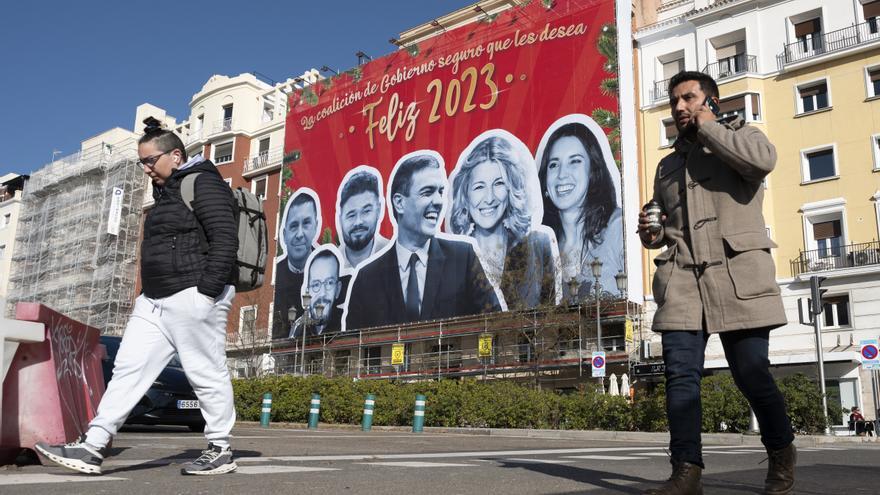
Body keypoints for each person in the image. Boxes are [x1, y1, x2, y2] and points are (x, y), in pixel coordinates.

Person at [35, 117, 239, 475]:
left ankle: (220, 449)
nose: (145, 169)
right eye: (141, 162)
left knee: (205, 372)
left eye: (149, 161)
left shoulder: (203, 183)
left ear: (175, 155)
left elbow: (225, 239)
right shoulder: (167, 193)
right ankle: (93, 447)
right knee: (128, 371)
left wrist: (206, 294)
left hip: (193, 292)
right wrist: (147, 294)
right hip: (154, 299)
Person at [638, 71, 795, 495]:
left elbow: (762, 163)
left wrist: (710, 128)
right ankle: (685, 472)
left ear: (711, 101)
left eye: (689, 98)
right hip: (683, 278)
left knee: (751, 372)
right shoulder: (667, 165)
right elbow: (666, 225)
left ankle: (781, 451)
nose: (679, 107)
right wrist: (652, 233)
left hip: (736, 273)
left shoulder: (745, 137)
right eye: (675, 101)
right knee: (680, 377)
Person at [345, 152, 501, 330]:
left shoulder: (464, 258)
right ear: (399, 203)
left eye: (440, 191)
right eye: (427, 192)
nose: (438, 201)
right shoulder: (366, 279)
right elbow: (353, 349)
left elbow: (496, 323)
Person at [449, 134, 556, 309]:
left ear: (511, 189)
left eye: (498, 184)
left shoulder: (538, 244)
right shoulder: (453, 261)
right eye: (479, 187)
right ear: (465, 194)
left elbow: (550, 316)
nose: (489, 198)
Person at [537, 119, 623, 301]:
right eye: (553, 164)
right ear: (545, 180)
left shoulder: (618, 228)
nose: (561, 174)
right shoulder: (539, 247)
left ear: (593, 170)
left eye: (574, 161)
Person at [272, 190, 319, 339]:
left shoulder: (328, 269)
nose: (299, 234)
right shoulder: (276, 273)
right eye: (293, 226)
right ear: (284, 234)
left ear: (315, 226)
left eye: (306, 223)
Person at [336, 168, 389, 269]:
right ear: (340, 219)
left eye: (366, 211)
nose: (358, 222)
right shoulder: (330, 266)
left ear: (379, 210)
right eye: (351, 215)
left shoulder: (395, 256)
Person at [290, 247, 345, 338]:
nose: (322, 293)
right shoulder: (299, 328)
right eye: (316, 285)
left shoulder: (348, 322)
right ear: (308, 291)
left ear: (338, 290)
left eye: (329, 283)